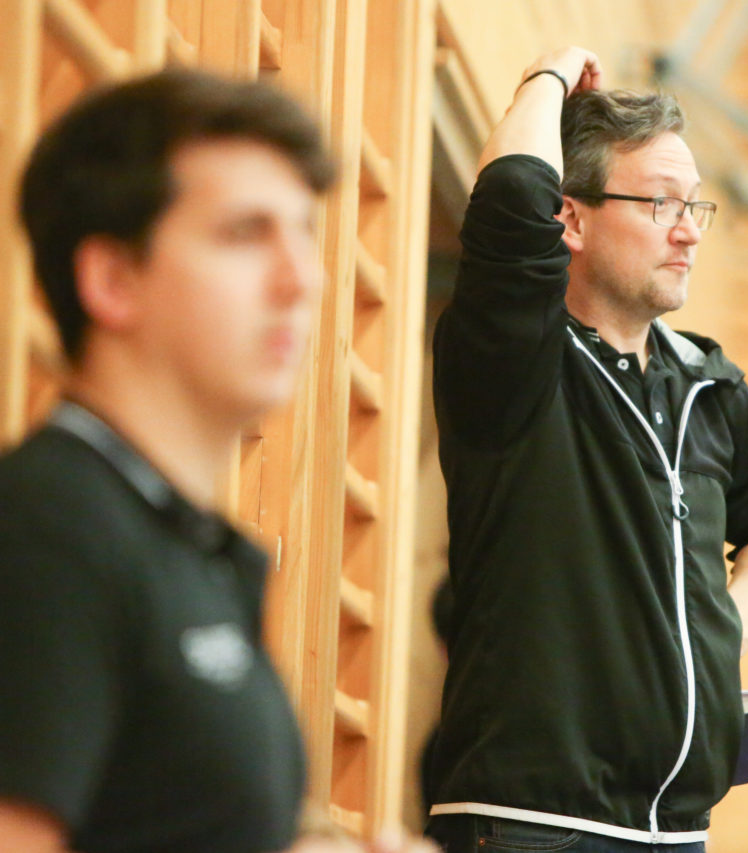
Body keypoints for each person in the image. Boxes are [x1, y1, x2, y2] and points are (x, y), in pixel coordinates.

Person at [0, 69, 429, 853]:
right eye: (244, 233)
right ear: (113, 280)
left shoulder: (190, 546)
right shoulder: (45, 528)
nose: (302, 278)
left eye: (303, 233)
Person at [427, 47, 748, 851]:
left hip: (675, 832)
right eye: (661, 203)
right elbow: (511, 198)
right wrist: (548, 76)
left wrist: (715, 632)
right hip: (536, 825)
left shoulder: (708, 382)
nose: (689, 231)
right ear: (571, 220)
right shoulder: (519, 358)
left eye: (696, 205)